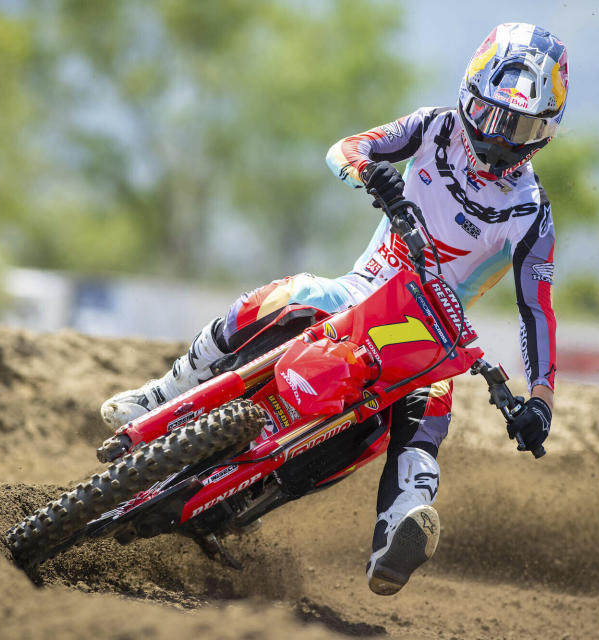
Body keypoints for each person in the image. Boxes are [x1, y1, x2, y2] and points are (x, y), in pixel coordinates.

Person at [101, 22, 565, 595]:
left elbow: (535, 311)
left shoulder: (531, 213)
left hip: (427, 338)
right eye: (493, 116)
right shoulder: (433, 127)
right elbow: (344, 148)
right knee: (281, 297)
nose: (499, 138)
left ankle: (400, 530)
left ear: (544, 133)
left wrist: (540, 402)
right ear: (470, 95)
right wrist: (375, 177)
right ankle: (162, 393)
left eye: (519, 126)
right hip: (360, 291)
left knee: (429, 415)